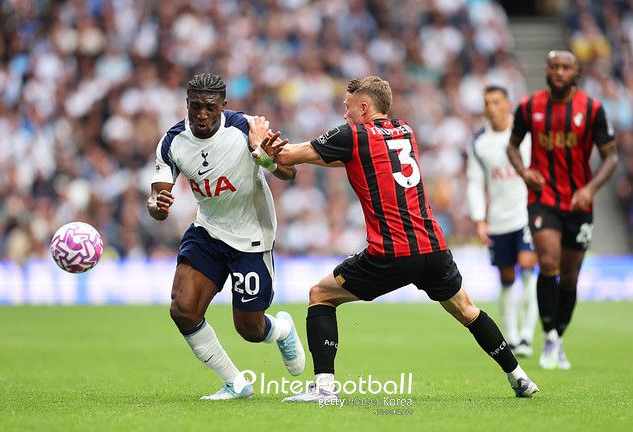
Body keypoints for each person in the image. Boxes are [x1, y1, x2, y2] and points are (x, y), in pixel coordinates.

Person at [250, 76, 539, 401]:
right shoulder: (405, 131)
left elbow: (289, 156)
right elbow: (334, 157)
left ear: (363, 107)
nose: (344, 114)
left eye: (347, 107)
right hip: (433, 247)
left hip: (391, 252)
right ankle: (519, 377)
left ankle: (325, 388)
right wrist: (280, 158)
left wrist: (259, 142)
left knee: (321, 295)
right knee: (467, 310)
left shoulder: (351, 135)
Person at [146, 73, 305, 400]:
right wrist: (156, 206)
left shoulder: (248, 128)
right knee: (183, 309)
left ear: (224, 106)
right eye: (195, 107)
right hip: (208, 230)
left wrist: (264, 157)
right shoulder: (173, 141)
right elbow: (156, 198)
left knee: (249, 329)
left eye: (210, 108)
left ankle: (282, 329)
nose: (202, 115)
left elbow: (290, 172)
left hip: (252, 236)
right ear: (186, 104)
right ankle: (236, 382)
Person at [507, 50, 619, 369]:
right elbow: (512, 145)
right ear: (547, 70)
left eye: (565, 67)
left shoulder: (592, 109)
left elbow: (611, 157)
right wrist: (523, 172)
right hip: (543, 198)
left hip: (578, 202)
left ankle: (558, 335)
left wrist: (590, 189)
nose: (558, 72)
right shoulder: (529, 106)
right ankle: (548, 335)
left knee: (570, 277)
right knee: (547, 261)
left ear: (576, 72)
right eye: (554, 66)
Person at [467, 86, 538, 357]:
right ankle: (511, 337)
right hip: (498, 219)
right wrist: (479, 219)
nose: (491, 107)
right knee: (507, 277)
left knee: (528, 268)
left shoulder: (526, 134)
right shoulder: (479, 142)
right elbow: (475, 183)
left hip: (527, 214)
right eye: (487, 102)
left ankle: (527, 336)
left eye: (496, 101)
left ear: (508, 104)